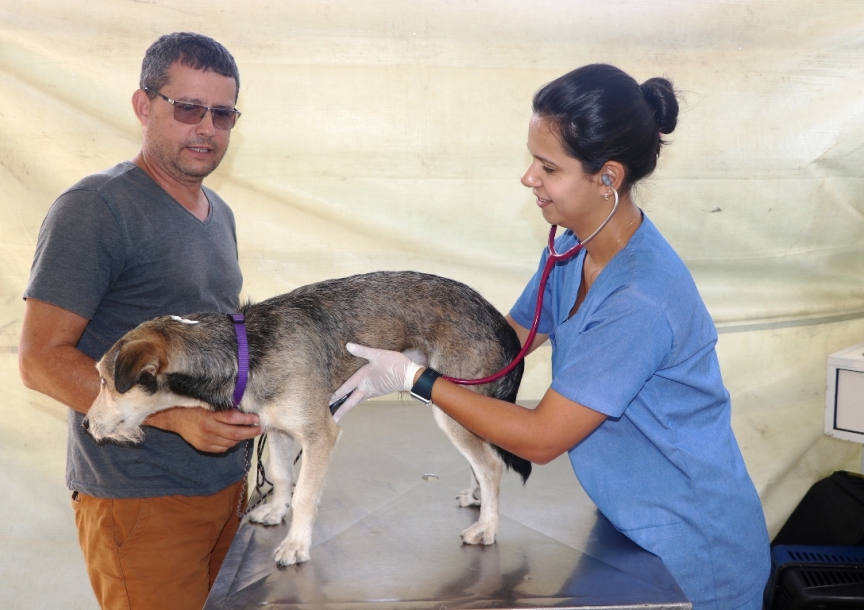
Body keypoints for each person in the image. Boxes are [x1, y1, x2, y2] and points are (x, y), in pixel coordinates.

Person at [330, 64, 770, 609]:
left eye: (548, 167)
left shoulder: (641, 300)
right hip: (628, 526)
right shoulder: (572, 250)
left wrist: (414, 378)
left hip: (694, 556)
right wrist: (418, 337)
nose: (527, 178)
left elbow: (541, 440)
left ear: (607, 177)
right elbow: (502, 345)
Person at [18, 32, 262, 610]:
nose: (207, 128)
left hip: (227, 491)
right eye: (187, 108)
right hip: (141, 500)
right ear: (143, 105)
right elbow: (40, 360)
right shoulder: (97, 209)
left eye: (222, 114)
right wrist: (174, 418)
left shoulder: (217, 212)